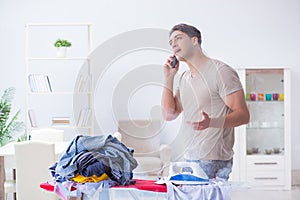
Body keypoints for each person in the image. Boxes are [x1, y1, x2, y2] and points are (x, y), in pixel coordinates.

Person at [161, 23, 250, 180]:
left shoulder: (221, 72)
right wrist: (169, 77)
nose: (173, 44)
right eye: (171, 42)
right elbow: (169, 114)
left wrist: (211, 122)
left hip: (213, 159)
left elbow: (243, 116)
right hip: (189, 156)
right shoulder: (184, 78)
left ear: (194, 41)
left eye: (178, 38)